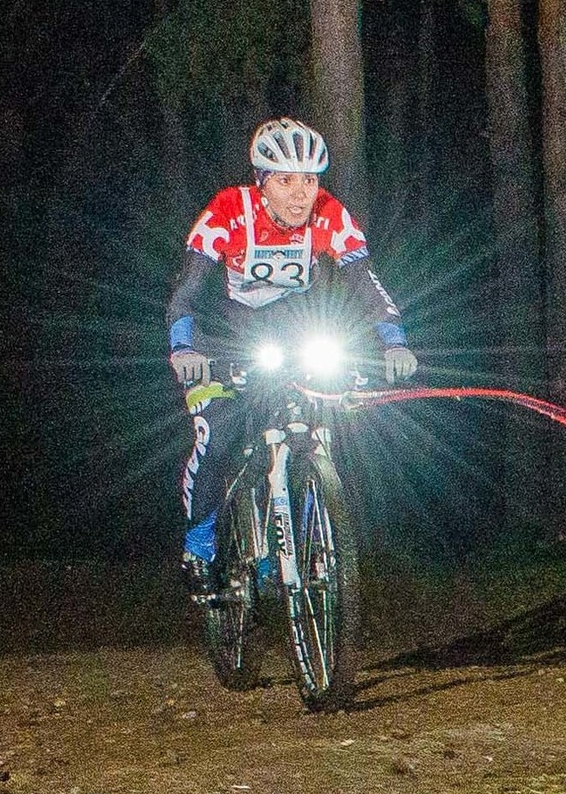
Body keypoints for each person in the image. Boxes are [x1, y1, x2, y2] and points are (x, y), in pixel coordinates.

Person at [166, 118, 417, 591]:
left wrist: (394, 341)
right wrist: (185, 349)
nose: (301, 193)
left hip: (292, 331)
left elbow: (368, 285)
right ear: (261, 183)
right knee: (216, 435)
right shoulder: (228, 210)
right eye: (285, 180)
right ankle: (199, 542)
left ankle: (312, 539)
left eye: (309, 179)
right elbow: (186, 290)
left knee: (323, 422)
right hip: (222, 337)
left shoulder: (329, 214)